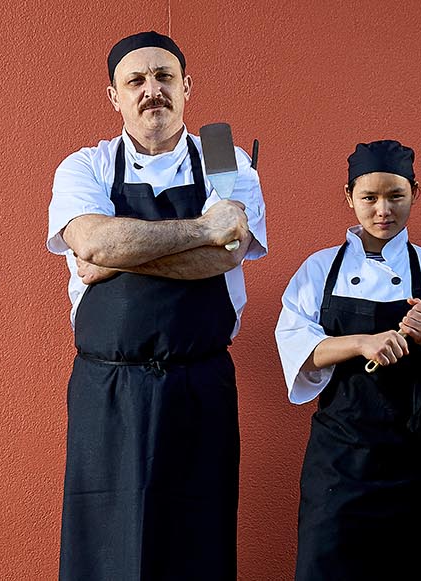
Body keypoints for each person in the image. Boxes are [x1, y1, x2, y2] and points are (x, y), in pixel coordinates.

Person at [46, 30, 267, 580]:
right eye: (136, 80)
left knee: (197, 542)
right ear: (113, 96)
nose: (152, 91)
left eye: (165, 77)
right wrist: (201, 229)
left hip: (200, 386)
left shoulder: (224, 156)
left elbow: (224, 257)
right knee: (104, 549)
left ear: (187, 87)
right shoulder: (84, 166)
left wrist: (115, 256)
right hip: (108, 391)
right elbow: (94, 242)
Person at [275, 140, 421, 580]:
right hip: (340, 455)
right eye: (369, 198)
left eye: (396, 196)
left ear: (415, 193)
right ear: (348, 196)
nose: (382, 210)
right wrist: (360, 343)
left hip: (419, 453)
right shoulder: (318, 269)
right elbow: (298, 349)